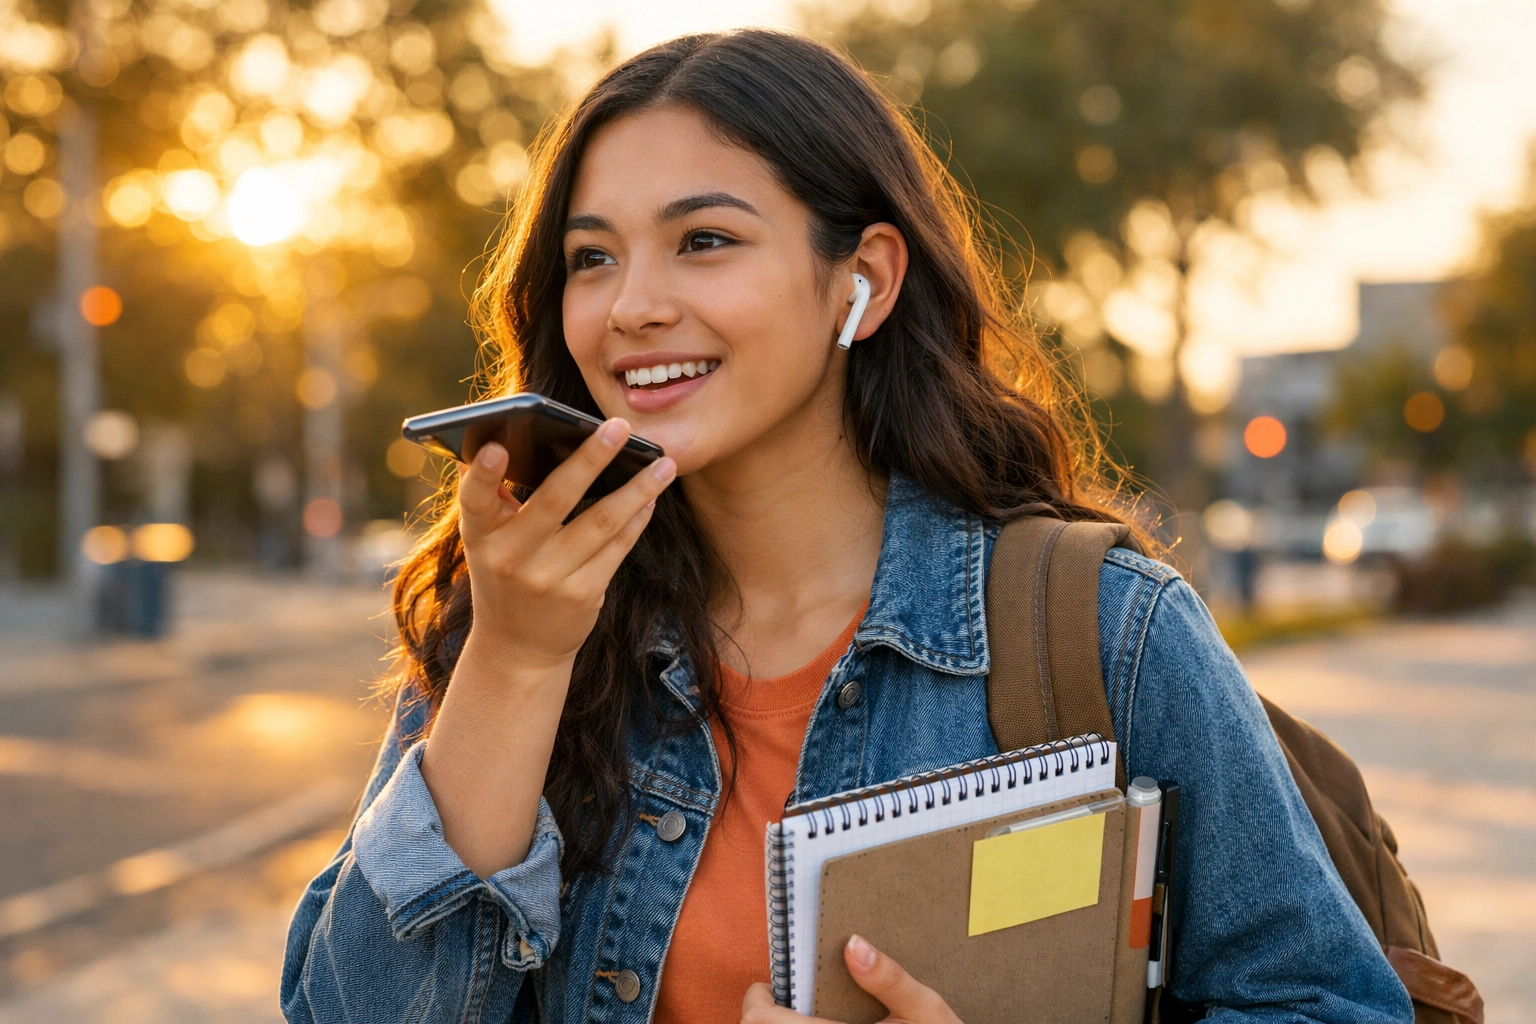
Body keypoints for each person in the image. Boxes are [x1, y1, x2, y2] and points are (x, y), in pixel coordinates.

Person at [282, 30, 1412, 1024]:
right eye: (592, 258)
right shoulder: (523, 622)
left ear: (861, 280)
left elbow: (1331, 1003)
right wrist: (518, 662)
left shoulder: (1111, 631)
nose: (631, 306)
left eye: (705, 241)